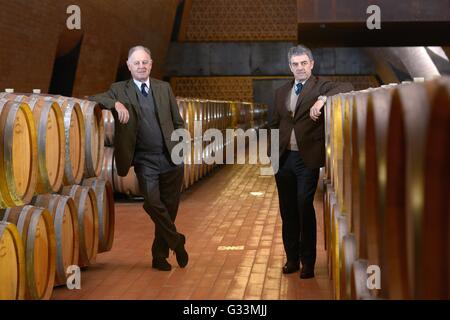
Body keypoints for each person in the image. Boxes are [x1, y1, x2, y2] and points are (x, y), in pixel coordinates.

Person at [90, 45, 188, 271]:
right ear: (129, 66)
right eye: (137, 63)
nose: (141, 66)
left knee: (169, 208)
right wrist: (114, 103)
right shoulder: (119, 89)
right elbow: (94, 98)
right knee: (153, 203)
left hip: (171, 157)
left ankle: (159, 256)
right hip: (144, 160)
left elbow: (178, 122)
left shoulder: (164, 88)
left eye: (145, 62)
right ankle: (177, 240)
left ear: (151, 64)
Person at [269, 45, 353, 279]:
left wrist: (323, 100)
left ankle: (308, 262)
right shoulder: (281, 91)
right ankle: (292, 259)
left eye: (304, 63)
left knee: (304, 206)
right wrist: (272, 155)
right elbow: (274, 124)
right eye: (295, 64)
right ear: (290, 67)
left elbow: (347, 87)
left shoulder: (320, 85)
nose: (300, 68)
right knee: (287, 212)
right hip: (283, 159)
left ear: (312, 64)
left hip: (307, 159)